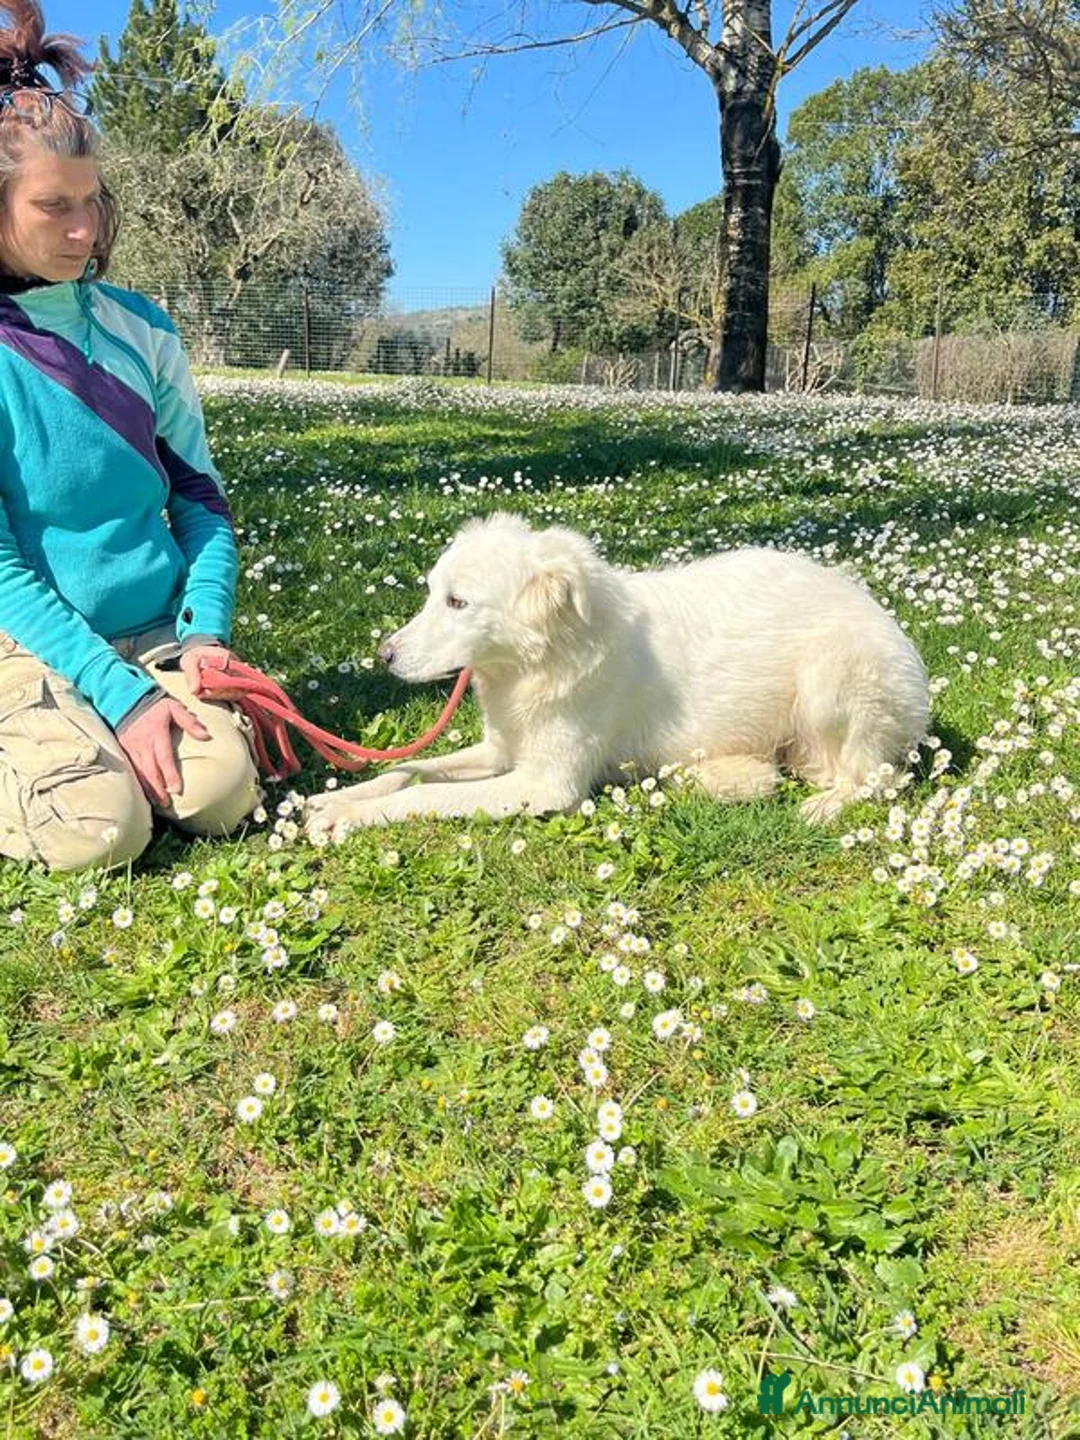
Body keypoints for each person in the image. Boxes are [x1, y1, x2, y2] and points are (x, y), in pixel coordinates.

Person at [0, 0, 261, 871]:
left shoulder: (143, 329)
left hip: (153, 627)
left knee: (221, 794)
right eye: (52, 207)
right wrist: (123, 698)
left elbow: (201, 500)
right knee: (100, 831)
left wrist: (206, 633)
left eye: (91, 202)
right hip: (27, 639)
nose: (83, 230)